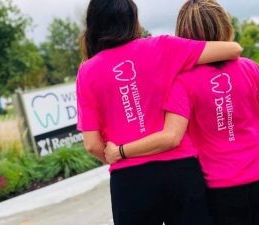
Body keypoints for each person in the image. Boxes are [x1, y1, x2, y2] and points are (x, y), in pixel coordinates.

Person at [104, 1, 259, 225]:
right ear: (224, 24)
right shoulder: (250, 68)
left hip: (221, 193)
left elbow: (171, 136)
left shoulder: (182, 83)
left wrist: (120, 151)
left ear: (183, 35)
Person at [76, 0, 242, 224]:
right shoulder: (162, 47)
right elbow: (232, 49)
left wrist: (122, 157)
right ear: (133, 20)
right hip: (180, 171)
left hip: (129, 180)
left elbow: (92, 144)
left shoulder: (87, 72)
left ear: (93, 24)